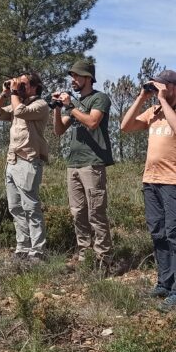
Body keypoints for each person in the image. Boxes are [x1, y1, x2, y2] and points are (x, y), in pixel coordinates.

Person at [120, 69, 176, 310]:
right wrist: (142, 97)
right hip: (150, 180)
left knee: (175, 234)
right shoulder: (153, 112)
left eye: (163, 86)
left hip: (173, 182)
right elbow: (125, 126)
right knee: (158, 232)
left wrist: (162, 99)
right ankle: (164, 281)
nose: (158, 89)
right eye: (157, 86)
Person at [51, 59, 116, 273]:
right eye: (72, 76)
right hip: (73, 164)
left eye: (77, 76)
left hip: (93, 164)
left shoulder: (100, 99)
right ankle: (84, 254)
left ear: (88, 78)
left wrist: (71, 105)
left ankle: (103, 258)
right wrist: (57, 108)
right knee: (78, 212)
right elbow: (59, 131)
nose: (73, 80)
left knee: (96, 212)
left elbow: (92, 122)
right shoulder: (75, 104)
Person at [0, 72, 50, 263]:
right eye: (19, 85)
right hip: (12, 161)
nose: (20, 88)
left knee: (30, 207)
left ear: (34, 87)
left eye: (23, 85)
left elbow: (21, 112)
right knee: (15, 207)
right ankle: (22, 247)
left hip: (28, 161)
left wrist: (14, 92)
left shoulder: (40, 105)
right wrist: (4, 94)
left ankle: (38, 250)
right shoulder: (16, 104)